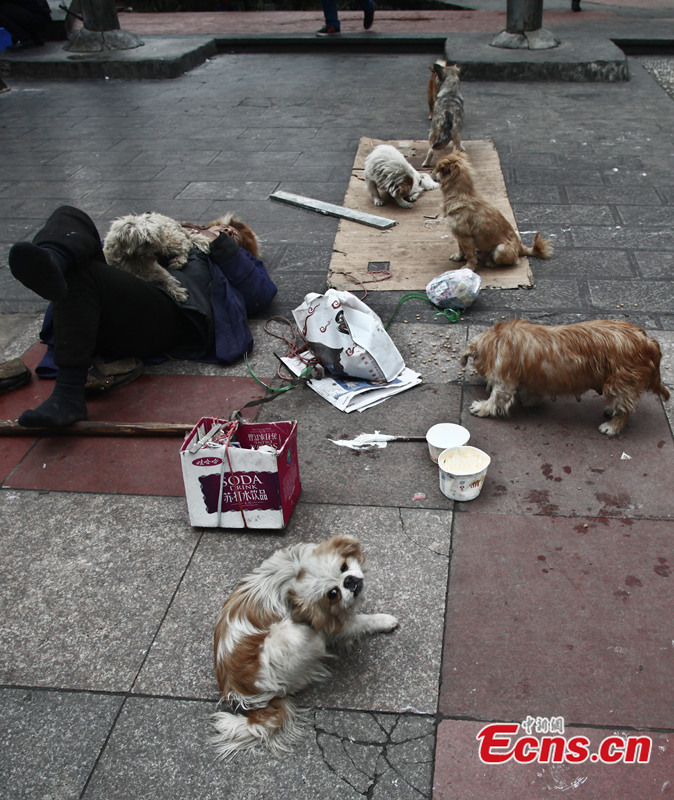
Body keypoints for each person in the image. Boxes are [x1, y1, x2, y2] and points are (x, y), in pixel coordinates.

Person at [8, 205, 277, 428]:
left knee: (86, 275)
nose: (229, 231)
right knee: (70, 216)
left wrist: (220, 243)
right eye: (225, 228)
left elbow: (260, 294)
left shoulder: (222, 258)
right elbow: (110, 252)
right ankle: (53, 260)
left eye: (235, 235)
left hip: (171, 311)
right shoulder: (168, 235)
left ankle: (68, 394)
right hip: (115, 297)